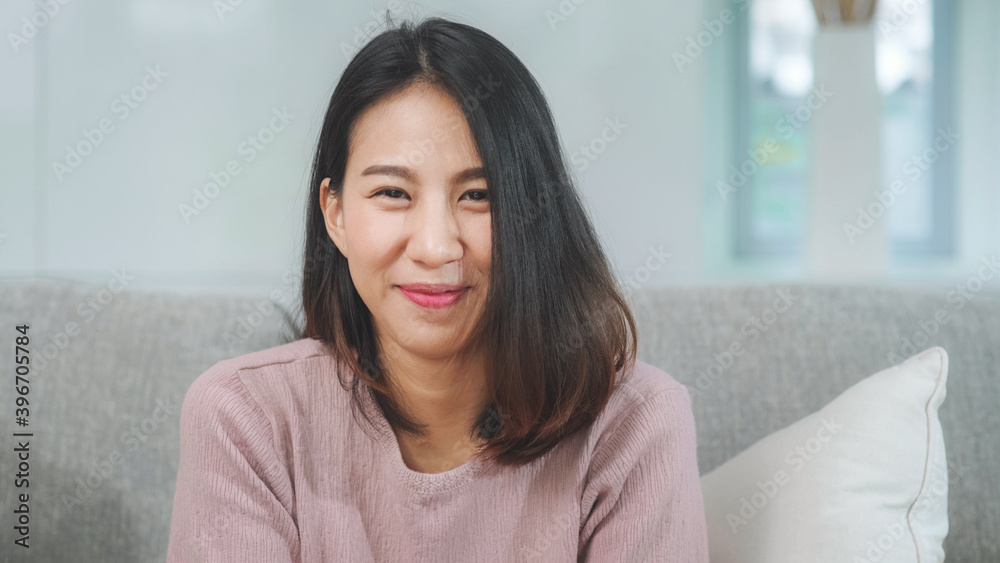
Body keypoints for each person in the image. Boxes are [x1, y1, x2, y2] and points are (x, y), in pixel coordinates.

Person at [166, 14, 708, 562]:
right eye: (393, 193)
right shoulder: (246, 419)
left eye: (478, 196)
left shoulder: (635, 426)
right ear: (335, 214)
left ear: (535, 213)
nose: (435, 246)